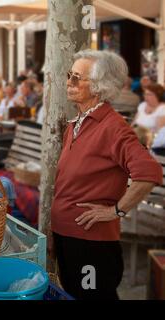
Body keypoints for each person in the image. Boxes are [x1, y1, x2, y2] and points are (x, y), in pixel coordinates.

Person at [51, 50, 163, 300]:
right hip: (68, 236)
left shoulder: (113, 127)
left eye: (78, 77)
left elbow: (150, 172)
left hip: (91, 243)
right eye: (70, 75)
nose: (69, 82)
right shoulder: (77, 122)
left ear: (99, 86)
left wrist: (116, 211)